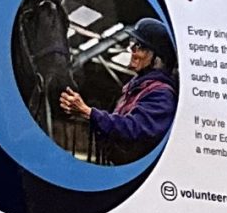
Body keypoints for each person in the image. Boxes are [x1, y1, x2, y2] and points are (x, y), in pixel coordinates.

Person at [60, 17, 179, 162]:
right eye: (133, 44)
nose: (132, 49)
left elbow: (134, 128)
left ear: (157, 59)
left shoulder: (161, 94)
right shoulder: (135, 89)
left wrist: (89, 113)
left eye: (140, 46)